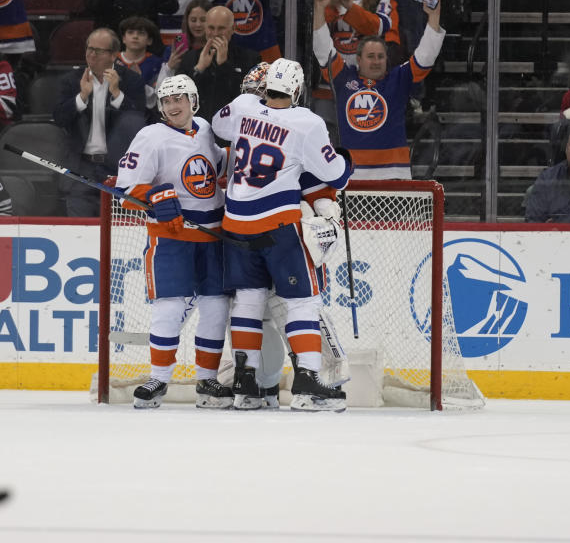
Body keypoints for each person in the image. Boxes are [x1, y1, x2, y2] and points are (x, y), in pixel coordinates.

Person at [211, 57, 353, 412]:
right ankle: (307, 382)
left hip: (234, 226)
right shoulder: (307, 122)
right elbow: (335, 175)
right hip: (277, 225)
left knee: (247, 302)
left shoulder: (243, 107)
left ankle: (246, 385)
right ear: (298, 90)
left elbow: (218, 124)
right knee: (303, 303)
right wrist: (348, 160)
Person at [114, 74, 233, 409]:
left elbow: (218, 168)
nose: (173, 105)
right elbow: (126, 190)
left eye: (179, 98)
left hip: (212, 236)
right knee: (168, 307)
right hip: (171, 239)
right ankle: (158, 379)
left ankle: (208, 381)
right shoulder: (150, 137)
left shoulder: (207, 129)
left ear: (193, 101)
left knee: (215, 307)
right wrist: (153, 195)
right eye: (167, 101)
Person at [313, 0, 444, 179]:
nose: (376, 61)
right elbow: (322, 48)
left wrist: (434, 16)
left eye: (381, 57)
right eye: (370, 56)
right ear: (358, 59)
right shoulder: (344, 79)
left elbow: (426, 55)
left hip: (393, 173)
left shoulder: (398, 79)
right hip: (352, 174)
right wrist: (319, 9)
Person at [52, 28, 147, 217]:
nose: (91, 54)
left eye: (98, 51)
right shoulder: (71, 81)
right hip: (82, 169)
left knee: (119, 234)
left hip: (118, 169)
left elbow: (139, 122)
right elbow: (60, 118)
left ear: (113, 55)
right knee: (79, 228)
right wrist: (82, 96)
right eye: (89, 49)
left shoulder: (131, 81)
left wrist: (117, 94)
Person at [182, 5, 260, 118]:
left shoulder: (250, 58)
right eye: (211, 28)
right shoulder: (190, 58)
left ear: (233, 28)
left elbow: (248, 99)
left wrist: (223, 66)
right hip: (198, 128)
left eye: (221, 28)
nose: (215, 33)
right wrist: (199, 69)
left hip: (233, 126)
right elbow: (180, 97)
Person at [156, 0, 212, 87]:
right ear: (187, 21)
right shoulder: (176, 49)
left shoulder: (218, 47)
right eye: (193, 20)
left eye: (203, 20)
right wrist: (169, 68)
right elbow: (160, 90)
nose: (198, 24)